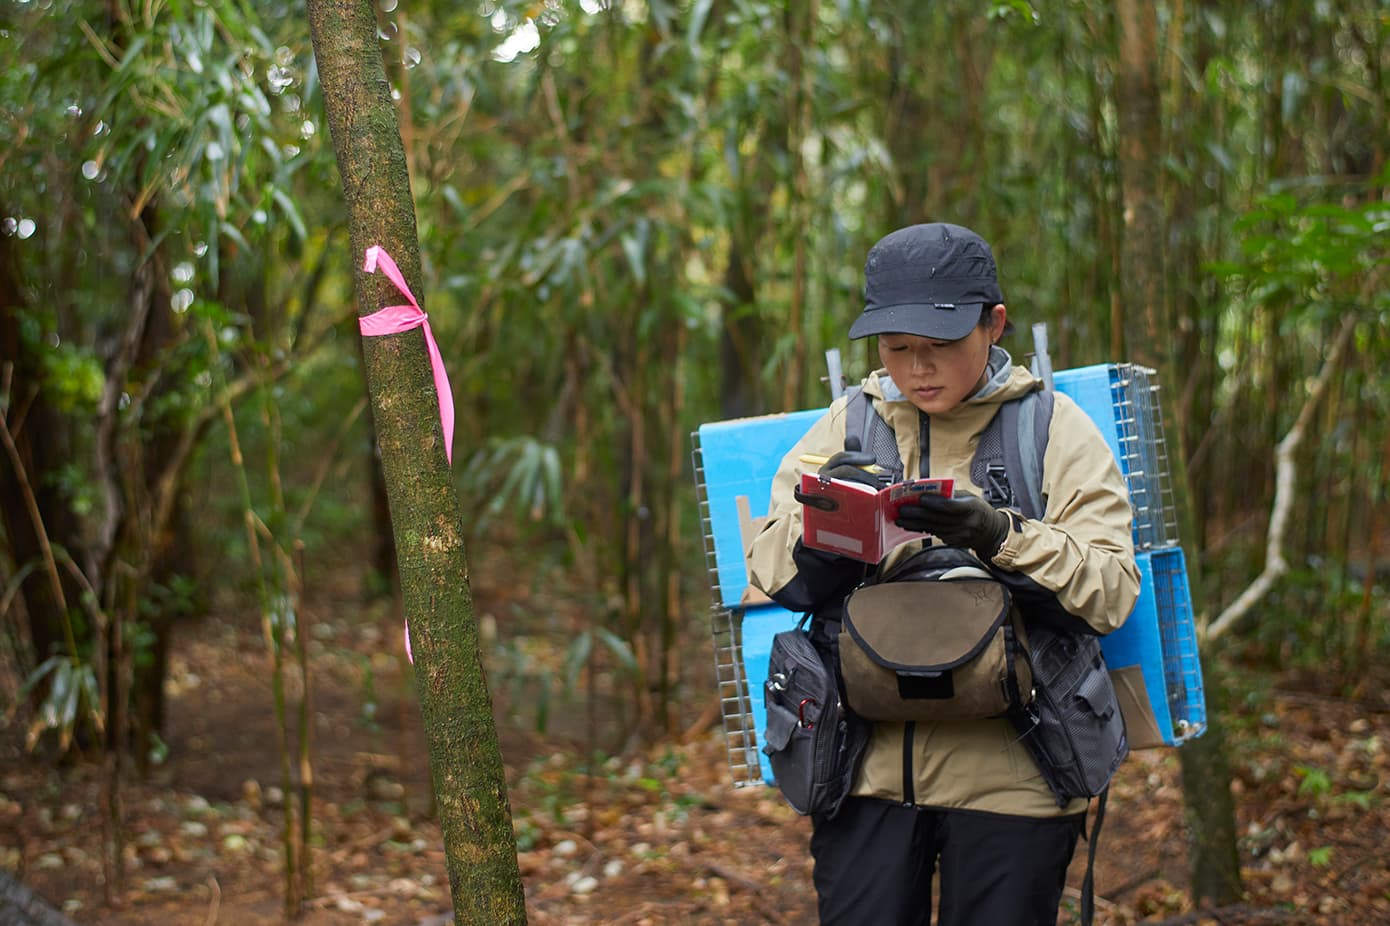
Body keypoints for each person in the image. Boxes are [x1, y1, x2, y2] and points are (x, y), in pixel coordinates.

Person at [746, 222, 1141, 925]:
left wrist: (998, 535)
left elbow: (1110, 591)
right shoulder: (850, 424)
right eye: (899, 350)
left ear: (994, 325)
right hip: (866, 769)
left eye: (940, 347)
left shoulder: (1050, 427)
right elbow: (770, 571)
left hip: (1015, 774)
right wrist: (826, 525)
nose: (919, 369)